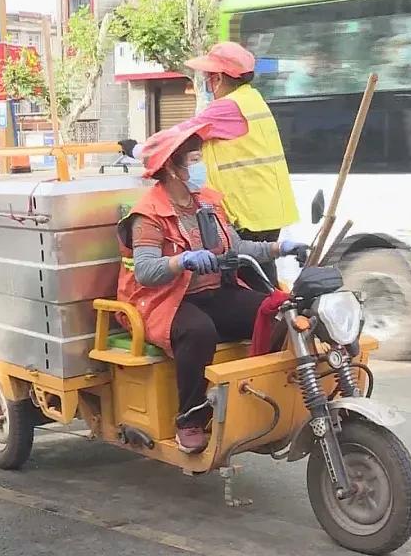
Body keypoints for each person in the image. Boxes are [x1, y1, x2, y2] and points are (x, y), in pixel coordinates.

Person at [115, 123, 309, 454]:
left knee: (278, 311)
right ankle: (189, 420)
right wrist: (182, 261)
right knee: (199, 331)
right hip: (164, 301)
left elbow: (236, 248)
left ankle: (260, 396)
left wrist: (281, 248)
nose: (201, 167)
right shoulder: (148, 214)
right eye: (194, 160)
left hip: (215, 292)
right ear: (172, 168)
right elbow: (145, 272)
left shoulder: (208, 202)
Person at [177, 41, 300, 287]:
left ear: (219, 78)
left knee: (249, 287)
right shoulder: (252, 99)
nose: (207, 84)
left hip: (247, 215)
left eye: (209, 77)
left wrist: (136, 149)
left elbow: (176, 138)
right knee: (263, 281)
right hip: (266, 210)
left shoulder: (227, 107)